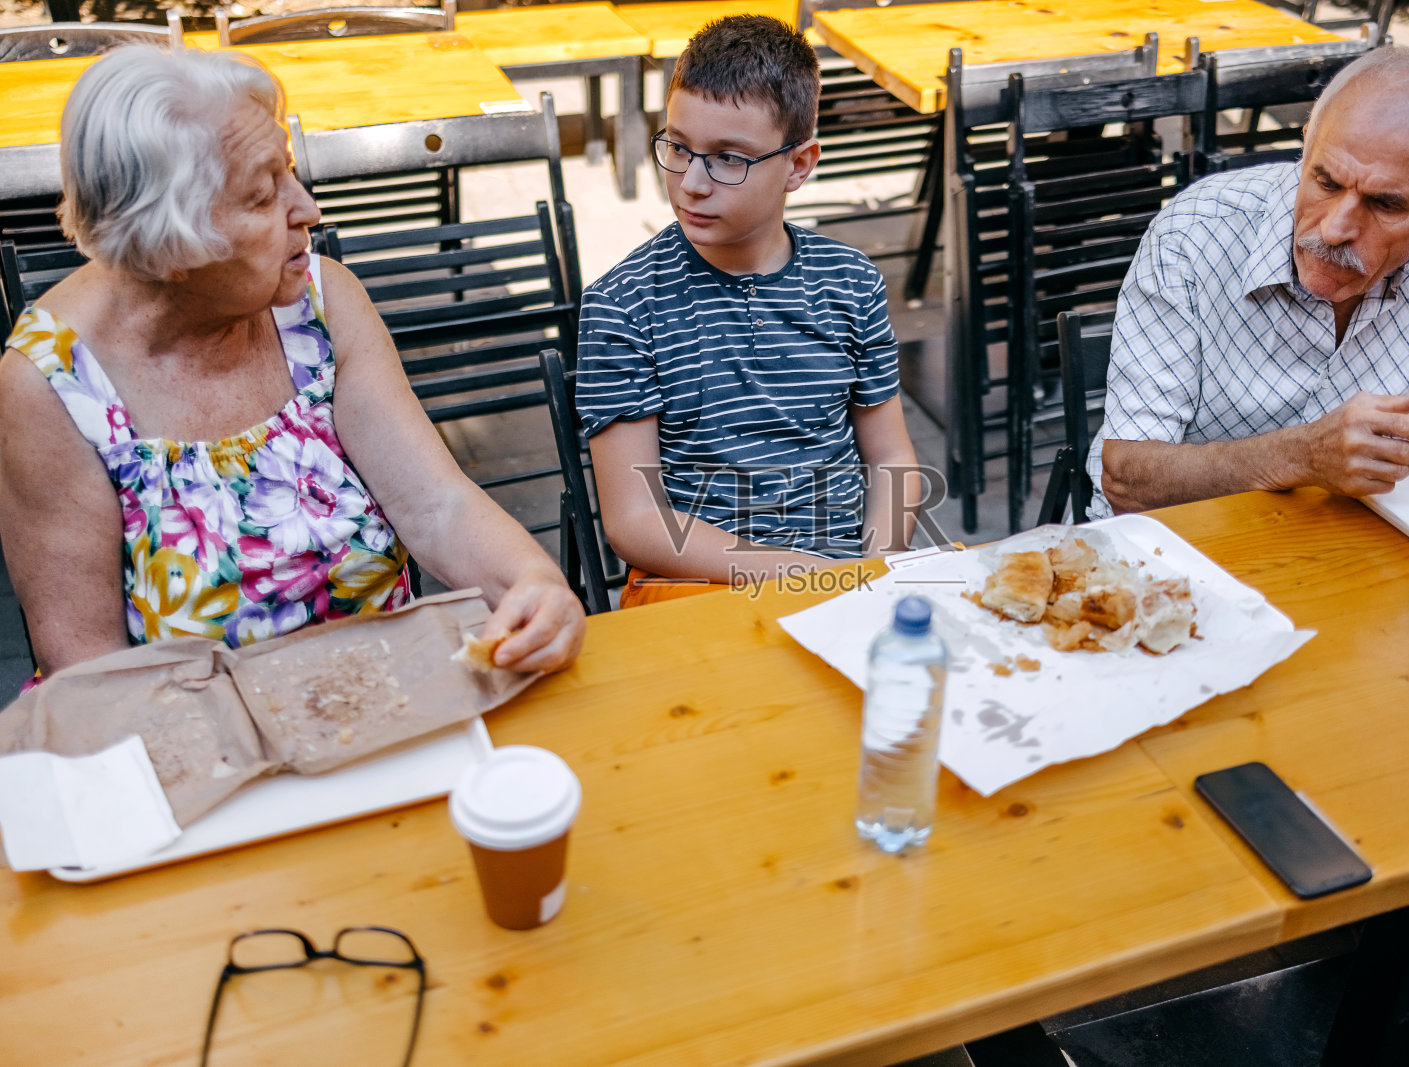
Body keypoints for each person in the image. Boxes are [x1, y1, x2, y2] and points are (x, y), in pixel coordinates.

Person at [0, 45, 585, 678]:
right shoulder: (50, 389)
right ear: (166, 242)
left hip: (388, 700)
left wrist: (534, 582)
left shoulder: (320, 302)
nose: (308, 209)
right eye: (261, 196)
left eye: (290, 173)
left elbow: (434, 504)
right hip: (190, 746)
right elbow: (87, 670)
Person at [1089, 45, 1409, 518]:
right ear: (1308, 140)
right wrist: (1301, 455)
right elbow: (1128, 476)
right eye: (1325, 181)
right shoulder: (1197, 232)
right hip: (1183, 552)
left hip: (1357, 551)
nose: (1334, 229)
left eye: (1385, 204)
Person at [575, 15, 921, 608]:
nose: (692, 183)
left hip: (838, 571)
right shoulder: (624, 303)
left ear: (800, 164)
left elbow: (890, 454)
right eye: (678, 148)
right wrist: (796, 573)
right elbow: (635, 521)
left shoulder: (851, 281)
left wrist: (875, 564)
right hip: (691, 581)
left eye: (728, 158)